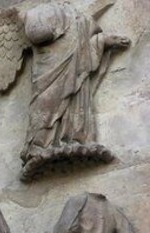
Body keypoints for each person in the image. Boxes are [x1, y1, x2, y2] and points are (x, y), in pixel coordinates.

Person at [22, 2, 129, 164]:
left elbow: (87, 44)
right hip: (49, 69)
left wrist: (105, 41)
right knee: (46, 103)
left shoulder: (78, 15)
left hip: (77, 69)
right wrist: (50, 27)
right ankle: (38, 146)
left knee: (78, 98)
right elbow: (35, 35)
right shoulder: (36, 12)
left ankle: (76, 139)